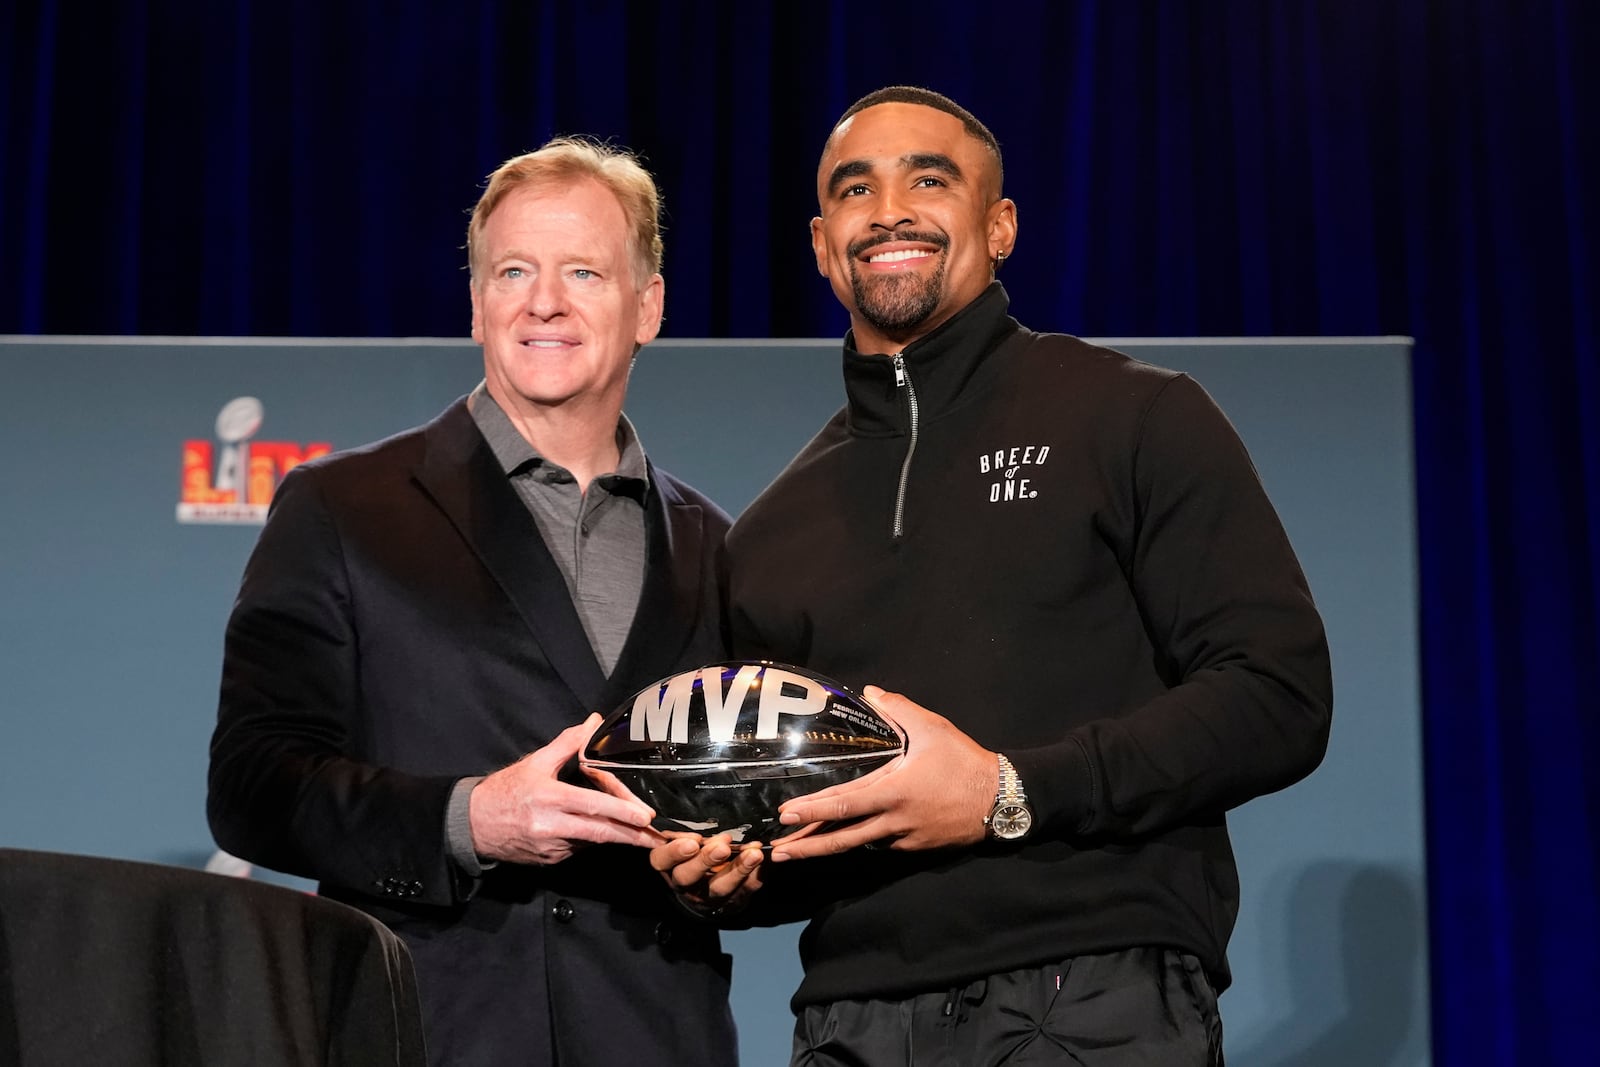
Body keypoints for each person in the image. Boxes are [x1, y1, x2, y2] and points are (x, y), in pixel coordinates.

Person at [654, 86, 1333, 1065]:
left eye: (928, 178)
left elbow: (1278, 693)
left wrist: (1006, 789)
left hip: (1093, 990)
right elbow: (815, 828)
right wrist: (729, 868)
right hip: (849, 1020)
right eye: (855, 188)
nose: (888, 209)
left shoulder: (1134, 416)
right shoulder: (769, 532)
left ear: (999, 223)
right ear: (819, 241)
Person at [209, 138, 738, 1066]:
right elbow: (253, 784)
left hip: (657, 1034)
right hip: (430, 1031)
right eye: (514, 271)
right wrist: (468, 820)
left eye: (583, 270)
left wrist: (729, 865)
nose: (545, 301)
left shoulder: (717, 545)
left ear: (648, 306)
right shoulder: (343, 508)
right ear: (478, 302)